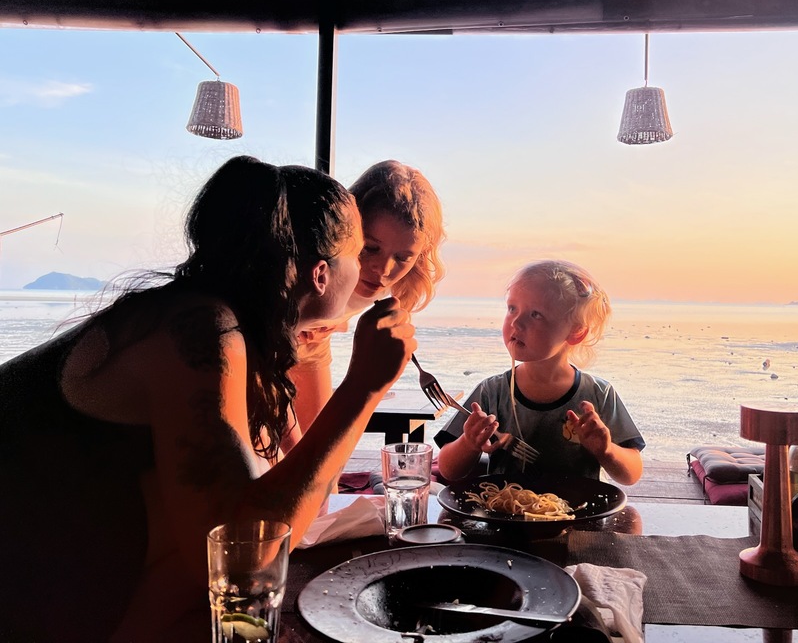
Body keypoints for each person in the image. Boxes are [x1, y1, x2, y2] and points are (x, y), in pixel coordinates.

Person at [0, 155, 415, 642]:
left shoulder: (234, 333)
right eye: (359, 252)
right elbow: (236, 554)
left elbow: (271, 508)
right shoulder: (198, 332)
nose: (373, 270)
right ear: (321, 274)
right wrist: (363, 388)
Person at [435, 259, 644, 485]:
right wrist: (469, 442)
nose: (516, 322)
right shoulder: (492, 392)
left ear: (576, 332)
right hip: (506, 514)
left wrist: (607, 451)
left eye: (536, 314)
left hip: (579, 516)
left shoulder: (597, 394)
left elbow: (631, 474)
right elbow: (448, 469)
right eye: (512, 308)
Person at [287, 159, 445, 443]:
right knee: (289, 460)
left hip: (313, 343)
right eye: (370, 248)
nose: (383, 270)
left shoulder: (393, 285)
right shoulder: (311, 264)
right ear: (346, 230)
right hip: (268, 340)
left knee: (318, 448)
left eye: (403, 257)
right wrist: (365, 379)